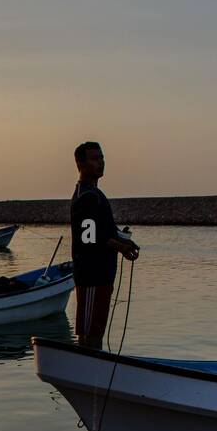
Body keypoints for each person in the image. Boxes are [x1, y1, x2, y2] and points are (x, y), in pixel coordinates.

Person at [70, 142, 138, 348]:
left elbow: (104, 231)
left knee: (97, 328)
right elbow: (90, 238)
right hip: (91, 275)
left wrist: (124, 241)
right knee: (89, 332)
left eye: (101, 158)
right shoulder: (87, 197)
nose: (100, 163)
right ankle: (85, 369)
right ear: (80, 164)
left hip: (102, 275)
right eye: (94, 158)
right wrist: (121, 247)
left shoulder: (95, 195)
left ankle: (93, 369)